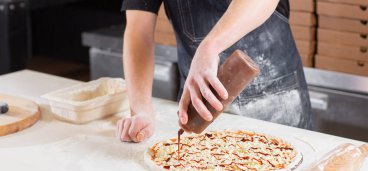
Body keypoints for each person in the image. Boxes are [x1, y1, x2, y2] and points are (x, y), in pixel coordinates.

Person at [116, 0, 312, 143]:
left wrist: (210, 46)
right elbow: (138, 30)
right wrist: (140, 108)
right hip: (199, 105)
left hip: (275, 101)